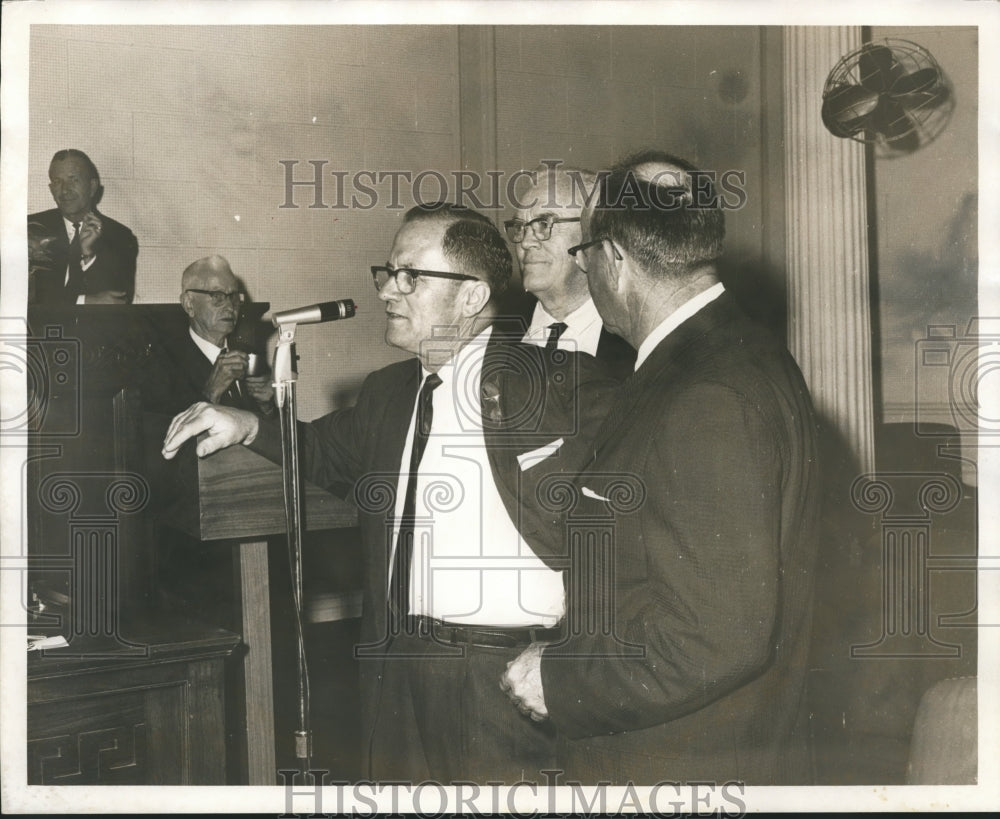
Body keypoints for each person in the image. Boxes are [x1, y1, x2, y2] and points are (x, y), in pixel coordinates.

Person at [160, 204, 619, 784]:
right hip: (397, 667)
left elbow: (622, 530)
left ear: (472, 297)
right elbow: (322, 452)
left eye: (412, 277)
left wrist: (573, 657)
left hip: (504, 675)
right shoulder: (389, 392)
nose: (388, 291)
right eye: (388, 273)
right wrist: (248, 424)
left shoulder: (554, 382)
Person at [501, 152, 822, 785]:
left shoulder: (706, 395)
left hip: (676, 759)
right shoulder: (738, 352)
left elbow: (717, 636)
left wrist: (561, 678)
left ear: (615, 258)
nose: (585, 272)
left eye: (585, 255)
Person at [505, 164, 635, 374]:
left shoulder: (635, 342)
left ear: (592, 234)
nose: (526, 242)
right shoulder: (494, 338)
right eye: (520, 227)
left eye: (544, 224)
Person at [140, 254, 274, 416]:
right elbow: (161, 434)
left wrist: (266, 405)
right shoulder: (162, 362)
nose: (230, 307)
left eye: (234, 297)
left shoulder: (248, 355)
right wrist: (211, 392)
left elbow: (266, 433)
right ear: (189, 304)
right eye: (217, 297)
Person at [28, 149, 138, 304]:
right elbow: (27, 298)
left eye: (74, 180)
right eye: (58, 181)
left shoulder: (120, 237)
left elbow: (116, 302)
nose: (65, 189)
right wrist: (85, 301)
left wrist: (88, 255)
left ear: (92, 187)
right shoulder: (32, 228)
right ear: (51, 189)